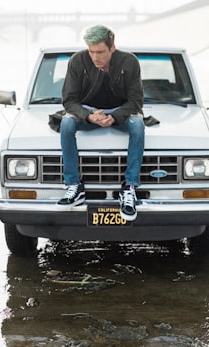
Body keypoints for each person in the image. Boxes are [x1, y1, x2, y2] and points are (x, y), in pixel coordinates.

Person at [57, 24, 145, 221]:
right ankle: (73, 185)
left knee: (138, 125)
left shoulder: (129, 62)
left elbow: (136, 101)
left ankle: (129, 188)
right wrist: (88, 116)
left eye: (100, 52)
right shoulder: (77, 61)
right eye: (91, 51)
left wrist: (114, 117)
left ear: (112, 48)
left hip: (120, 112)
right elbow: (69, 100)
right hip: (87, 111)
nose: (95, 57)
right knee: (66, 124)